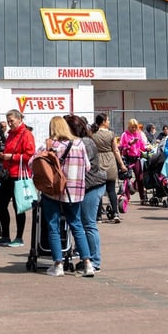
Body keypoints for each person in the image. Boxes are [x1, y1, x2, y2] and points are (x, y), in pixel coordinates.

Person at [39, 116, 93, 277]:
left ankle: (58, 264)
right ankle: (87, 263)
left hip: (53, 190)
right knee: (77, 225)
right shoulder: (79, 144)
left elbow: (34, 164)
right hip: (75, 191)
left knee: (53, 226)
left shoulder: (49, 145)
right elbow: (87, 167)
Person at [0, 109, 36, 247]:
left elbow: (30, 155)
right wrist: (1, 155)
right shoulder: (10, 134)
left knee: (18, 206)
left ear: (19, 119)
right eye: (8, 121)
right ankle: (5, 236)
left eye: (12, 121)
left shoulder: (26, 134)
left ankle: (19, 237)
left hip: (18, 175)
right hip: (7, 173)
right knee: (1, 205)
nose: (9, 124)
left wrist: (12, 157)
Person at [66, 114, 104, 274]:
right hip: (86, 186)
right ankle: (86, 257)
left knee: (88, 224)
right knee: (81, 224)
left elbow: (81, 166)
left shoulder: (85, 143)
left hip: (91, 186)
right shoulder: (80, 142)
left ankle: (94, 261)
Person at [91, 113, 126, 222]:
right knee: (111, 190)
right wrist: (121, 164)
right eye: (108, 120)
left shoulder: (93, 134)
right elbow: (116, 150)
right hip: (110, 161)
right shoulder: (111, 134)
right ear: (103, 122)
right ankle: (115, 213)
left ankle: (98, 216)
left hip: (98, 161)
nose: (109, 122)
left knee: (98, 191)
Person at [119, 119, 148, 205]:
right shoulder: (124, 135)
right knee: (127, 178)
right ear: (129, 126)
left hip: (137, 158)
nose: (134, 129)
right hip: (127, 158)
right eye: (132, 127)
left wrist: (146, 148)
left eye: (136, 127)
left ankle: (142, 198)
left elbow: (142, 146)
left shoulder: (139, 134)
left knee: (140, 178)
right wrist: (130, 143)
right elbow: (121, 147)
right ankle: (127, 198)